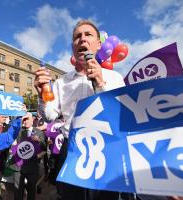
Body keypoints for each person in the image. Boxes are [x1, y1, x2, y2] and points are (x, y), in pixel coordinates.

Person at [34, 19, 125, 200]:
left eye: (88, 35)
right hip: (72, 150)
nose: (82, 39)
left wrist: (100, 83)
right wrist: (41, 95)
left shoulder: (114, 77)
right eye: (77, 37)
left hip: (105, 148)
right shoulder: (61, 82)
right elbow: (50, 116)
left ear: (98, 44)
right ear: (73, 47)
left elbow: (120, 115)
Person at [16, 112, 46, 200]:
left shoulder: (39, 132)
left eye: (27, 119)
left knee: (31, 190)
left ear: (32, 120)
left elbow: (44, 148)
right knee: (18, 190)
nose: (25, 122)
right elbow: (16, 146)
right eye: (24, 120)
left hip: (33, 166)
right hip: (20, 166)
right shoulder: (20, 131)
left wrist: (39, 140)